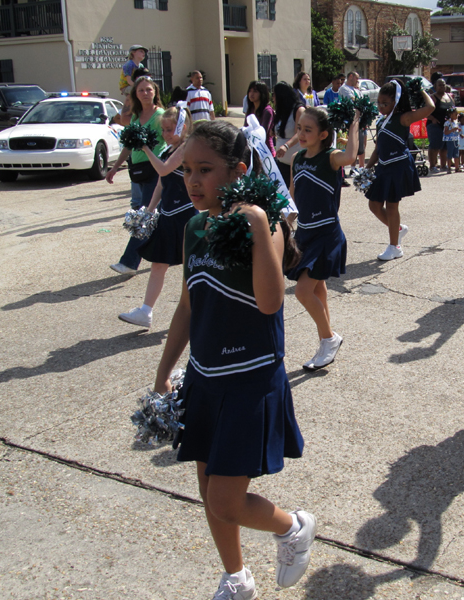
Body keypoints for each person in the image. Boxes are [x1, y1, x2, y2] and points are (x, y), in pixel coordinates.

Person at [153, 120, 315, 600]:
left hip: (250, 380)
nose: (194, 181)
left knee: (226, 499)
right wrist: (164, 371)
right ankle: (236, 578)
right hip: (205, 380)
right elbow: (187, 304)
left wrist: (259, 225)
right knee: (210, 492)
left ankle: (292, 526)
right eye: (187, 171)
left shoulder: (264, 225)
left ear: (239, 170)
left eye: (205, 170)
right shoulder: (194, 227)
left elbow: (270, 303)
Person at [285, 107, 360, 370]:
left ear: (323, 134)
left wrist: (354, 124)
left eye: (308, 130)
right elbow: (293, 196)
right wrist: (285, 226)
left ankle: (329, 339)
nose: (302, 134)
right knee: (317, 290)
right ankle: (326, 340)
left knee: (303, 291)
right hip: (305, 233)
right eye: (299, 129)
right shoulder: (297, 159)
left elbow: (351, 156)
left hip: (326, 234)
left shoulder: (331, 157)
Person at [118, 106, 196, 328]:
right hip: (167, 216)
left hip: (186, 216)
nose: (165, 134)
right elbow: (162, 182)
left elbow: (162, 170)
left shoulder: (185, 148)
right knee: (158, 265)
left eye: (170, 129)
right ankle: (146, 312)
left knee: (192, 266)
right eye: (163, 129)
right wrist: (150, 209)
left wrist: (144, 147)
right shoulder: (169, 149)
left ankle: (196, 311)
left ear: (183, 127)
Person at [365, 80, 435, 261]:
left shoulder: (403, 118)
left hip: (398, 166)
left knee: (392, 205)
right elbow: (378, 148)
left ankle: (394, 246)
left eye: (385, 103)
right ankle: (398, 230)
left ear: (395, 101)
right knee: (373, 205)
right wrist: (367, 167)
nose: (380, 106)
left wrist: (419, 90)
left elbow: (430, 107)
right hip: (383, 166)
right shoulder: (381, 121)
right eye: (378, 102)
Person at [106, 76, 167, 275]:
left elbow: (169, 141)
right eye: (141, 90)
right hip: (138, 172)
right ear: (135, 94)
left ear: (155, 92)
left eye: (149, 90)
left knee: (145, 215)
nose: (145, 93)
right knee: (158, 216)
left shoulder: (161, 116)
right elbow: (129, 145)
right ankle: (177, 251)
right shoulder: (135, 116)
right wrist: (115, 167)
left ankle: (129, 262)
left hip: (156, 171)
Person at [274, 81, 305, 188]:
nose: (273, 98)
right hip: (281, 162)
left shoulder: (299, 110)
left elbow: (300, 133)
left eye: (274, 95)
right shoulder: (281, 111)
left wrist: (286, 146)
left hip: (296, 163)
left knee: (295, 194)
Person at [338, 72, 367, 172]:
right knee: (352, 144)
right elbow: (353, 101)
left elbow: (362, 101)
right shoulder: (344, 88)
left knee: (361, 145)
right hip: (349, 121)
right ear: (351, 76)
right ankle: (352, 168)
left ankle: (360, 167)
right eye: (356, 78)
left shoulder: (356, 90)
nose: (357, 81)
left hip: (359, 120)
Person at [426, 78, 456, 172]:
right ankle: (432, 166)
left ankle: (443, 165)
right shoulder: (433, 97)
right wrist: (433, 119)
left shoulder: (449, 96)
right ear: (435, 86)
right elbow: (425, 111)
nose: (442, 87)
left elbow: (453, 109)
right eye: (440, 85)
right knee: (435, 145)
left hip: (447, 125)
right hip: (435, 125)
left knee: (445, 146)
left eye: (443, 85)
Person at [245, 80, 275, 156]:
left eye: (255, 91)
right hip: (252, 150)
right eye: (250, 91)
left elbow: (262, 133)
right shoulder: (250, 109)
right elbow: (245, 128)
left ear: (262, 93)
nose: (251, 94)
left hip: (266, 152)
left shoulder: (267, 111)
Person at [443, 108, 462, 174]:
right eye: (455, 114)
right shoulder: (447, 123)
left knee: (456, 154)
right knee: (449, 154)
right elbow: (445, 132)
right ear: (451, 115)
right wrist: (452, 130)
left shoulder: (455, 123)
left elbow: (455, 131)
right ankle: (449, 167)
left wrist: (459, 132)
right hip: (450, 140)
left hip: (455, 140)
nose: (457, 116)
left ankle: (457, 167)